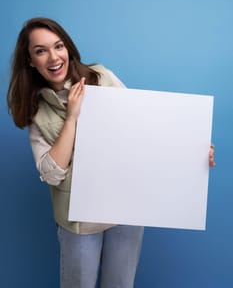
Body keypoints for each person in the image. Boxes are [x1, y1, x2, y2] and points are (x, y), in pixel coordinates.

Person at [7, 17, 215, 288]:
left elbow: (142, 127)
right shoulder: (35, 109)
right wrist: (72, 117)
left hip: (126, 210)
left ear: (68, 48)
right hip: (78, 222)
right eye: (40, 51)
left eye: (58, 46)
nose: (53, 57)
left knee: (120, 284)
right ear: (30, 61)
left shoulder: (100, 76)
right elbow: (51, 174)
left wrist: (191, 151)